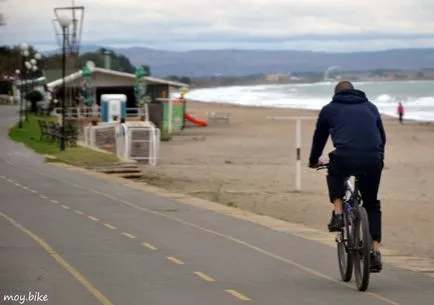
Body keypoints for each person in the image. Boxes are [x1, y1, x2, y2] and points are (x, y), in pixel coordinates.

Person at [308, 81, 386, 272]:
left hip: (344, 157)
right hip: (372, 159)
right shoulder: (371, 107)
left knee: (334, 171)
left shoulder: (329, 109)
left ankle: (338, 214)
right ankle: (375, 252)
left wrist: (313, 161)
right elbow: (382, 137)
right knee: (371, 203)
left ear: (336, 94)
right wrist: (378, 156)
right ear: (355, 91)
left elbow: (319, 138)